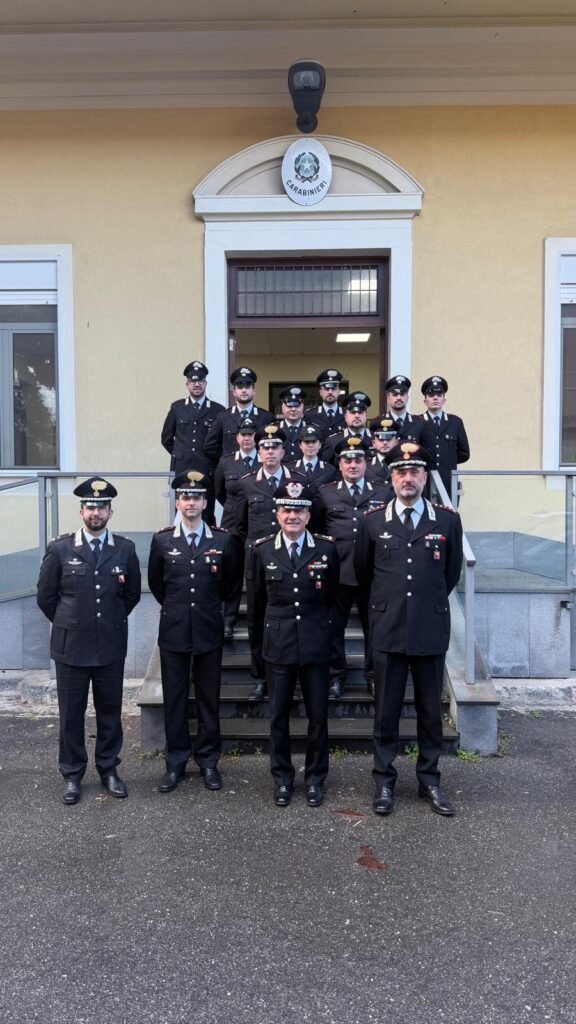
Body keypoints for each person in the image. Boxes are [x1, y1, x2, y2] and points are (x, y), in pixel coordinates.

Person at [354, 441, 463, 817]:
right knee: (386, 712)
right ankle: (384, 781)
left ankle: (429, 781)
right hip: (388, 630)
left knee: (430, 712)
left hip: (429, 630)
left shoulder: (447, 520)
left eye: (415, 471)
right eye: (401, 472)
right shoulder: (372, 521)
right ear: (391, 476)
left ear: (424, 477)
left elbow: (449, 575)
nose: (408, 478)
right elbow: (365, 577)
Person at [36, 477, 141, 805]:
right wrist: (72, 623)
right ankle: (72, 774)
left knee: (110, 711)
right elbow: (46, 597)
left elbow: (132, 594)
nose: (96, 512)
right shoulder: (61, 548)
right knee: (71, 713)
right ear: (82, 510)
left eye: (102, 507)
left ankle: (109, 769)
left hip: (109, 645)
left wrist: (106, 622)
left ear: (111, 511)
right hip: (71, 647)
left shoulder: (124, 549)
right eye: (90, 506)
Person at [147, 470, 241, 794]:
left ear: (205, 502)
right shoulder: (161, 541)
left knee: (207, 699)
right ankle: (175, 762)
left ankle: (209, 761)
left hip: (207, 629)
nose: (191, 502)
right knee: (174, 699)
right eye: (185, 496)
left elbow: (229, 584)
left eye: (197, 497)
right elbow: (157, 585)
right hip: (173, 630)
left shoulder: (222, 540)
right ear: (178, 501)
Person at [250, 481, 340, 807]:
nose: (292, 516)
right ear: (277, 513)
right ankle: (283, 779)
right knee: (278, 718)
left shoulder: (326, 549)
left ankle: (315, 779)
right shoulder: (261, 551)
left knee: (318, 717)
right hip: (278, 645)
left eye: (299, 510)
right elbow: (257, 606)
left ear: (308, 514)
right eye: (287, 509)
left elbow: (331, 599)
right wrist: (257, 654)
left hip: (315, 645)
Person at [234, 424, 306, 697]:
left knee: (293, 617)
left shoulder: (297, 482)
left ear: (284, 450)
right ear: (257, 449)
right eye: (265, 446)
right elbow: (239, 524)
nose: (270, 451)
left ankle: (296, 676)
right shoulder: (247, 482)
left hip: (293, 562)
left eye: (275, 446)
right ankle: (261, 676)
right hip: (259, 561)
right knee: (257, 619)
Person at [315, 437, 391, 699]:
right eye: (348, 460)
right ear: (340, 464)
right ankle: (336, 677)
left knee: (376, 629)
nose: (353, 465)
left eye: (358, 459)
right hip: (337, 572)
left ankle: (373, 677)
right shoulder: (325, 492)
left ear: (366, 462)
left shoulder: (383, 491)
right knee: (334, 629)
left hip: (373, 573)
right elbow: (317, 532)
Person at [214, 417, 259, 638]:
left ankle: (258, 621)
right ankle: (228, 620)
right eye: (243, 435)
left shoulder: (264, 461)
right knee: (232, 573)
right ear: (237, 437)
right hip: (232, 526)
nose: (247, 439)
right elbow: (220, 492)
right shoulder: (226, 462)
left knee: (257, 574)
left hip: (257, 524)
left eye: (251, 435)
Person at [161, 361, 225, 477]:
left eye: (200, 381)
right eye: (192, 381)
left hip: (207, 467)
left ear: (205, 383)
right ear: (187, 384)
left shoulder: (218, 410)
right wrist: (180, 454)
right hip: (181, 466)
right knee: (182, 496)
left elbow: (221, 442)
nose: (197, 384)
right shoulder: (177, 408)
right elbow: (166, 439)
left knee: (207, 496)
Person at [204, 366, 273, 465]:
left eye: (247, 387)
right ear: (234, 392)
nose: (244, 390)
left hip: (258, 471)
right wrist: (226, 462)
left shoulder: (266, 417)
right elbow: (210, 446)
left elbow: (271, 445)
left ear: (254, 391)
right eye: (240, 387)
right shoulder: (223, 417)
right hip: (231, 474)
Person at [418, 375, 470, 500]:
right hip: (425, 480)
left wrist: (447, 460)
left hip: (448, 480)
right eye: (431, 396)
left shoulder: (455, 422)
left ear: (444, 400)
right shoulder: (417, 422)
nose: (435, 398)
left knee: (448, 515)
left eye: (439, 395)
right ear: (425, 401)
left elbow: (464, 453)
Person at [320, 391, 373, 465]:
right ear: (345, 417)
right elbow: (326, 470)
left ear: (366, 416)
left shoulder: (376, 439)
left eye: (360, 412)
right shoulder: (332, 441)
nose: (357, 415)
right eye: (353, 412)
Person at [288, 424, 337, 491]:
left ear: (320, 445)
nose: (310, 445)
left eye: (314, 442)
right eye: (306, 442)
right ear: (300, 445)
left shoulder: (329, 470)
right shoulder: (290, 469)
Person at [304, 368, 346, 438]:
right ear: (320, 392)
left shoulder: (347, 415)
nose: (330, 392)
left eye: (333, 389)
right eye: (326, 389)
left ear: (338, 391)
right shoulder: (310, 415)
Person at [384, 375, 423, 442]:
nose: (399, 398)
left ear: (407, 398)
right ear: (388, 398)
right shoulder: (379, 423)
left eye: (402, 394)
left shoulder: (419, 423)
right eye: (395, 394)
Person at [277, 385, 307, 462]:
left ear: (303, 407)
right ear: (282, 407)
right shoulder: (275, 430)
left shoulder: (310, 429)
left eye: (297, 406)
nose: (293, 409)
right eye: (289, 406)